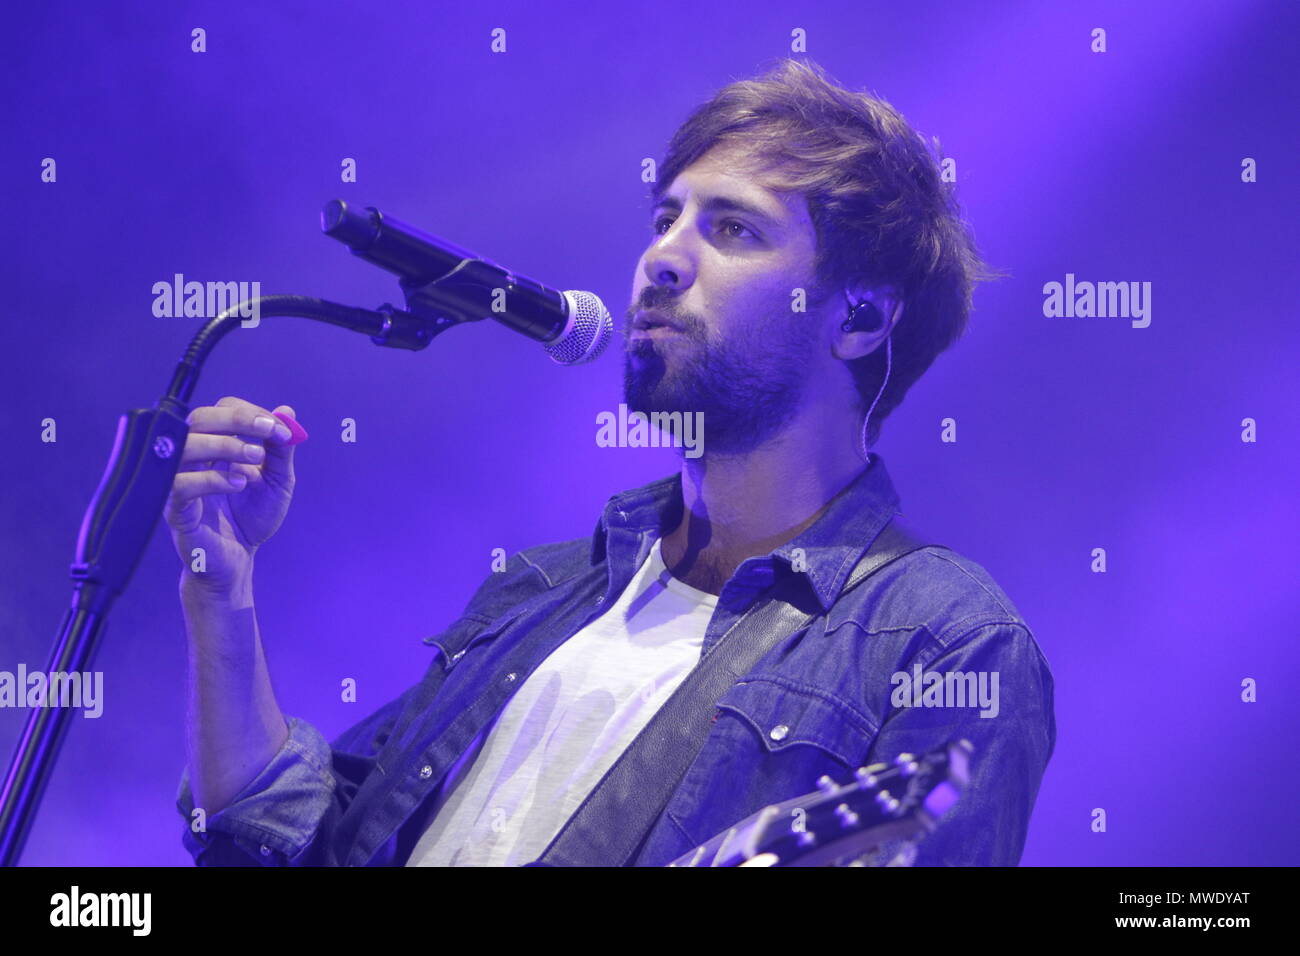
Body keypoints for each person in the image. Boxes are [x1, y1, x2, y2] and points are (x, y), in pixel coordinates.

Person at [166, 58, 1054, 867]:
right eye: (666, 218)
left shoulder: (946, 639)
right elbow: (290, 844)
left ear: (858, 320)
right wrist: (222, 595)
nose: (662, 257)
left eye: (733, 229)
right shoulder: (546, 590)